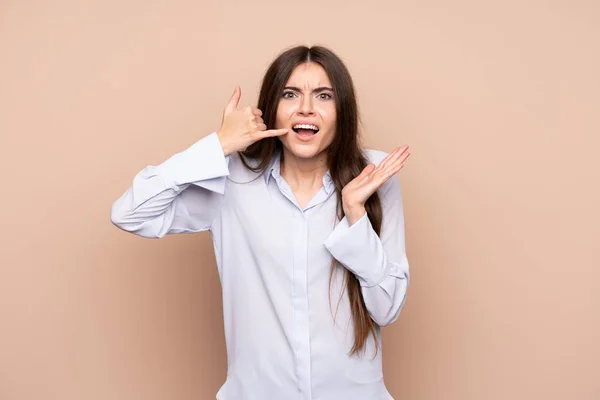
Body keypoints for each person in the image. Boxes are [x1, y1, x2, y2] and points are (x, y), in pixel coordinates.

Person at [111, 45, 411, 400]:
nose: (306, 108)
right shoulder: (232, 180)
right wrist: (218, 145)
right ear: (271, 108)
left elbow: (387, 308)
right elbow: (130, 213)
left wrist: (355, 212)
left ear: (342, 110)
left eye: (324, 95)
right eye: (290, 94)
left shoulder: (373, 177)